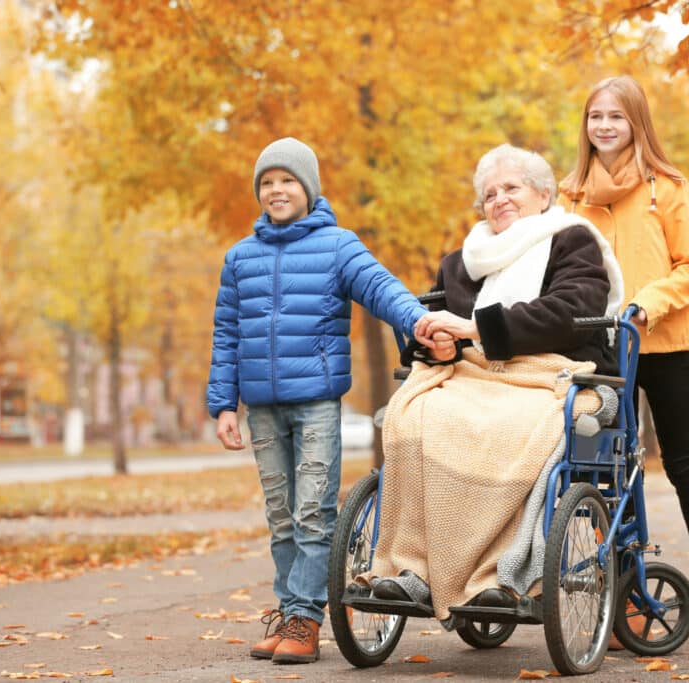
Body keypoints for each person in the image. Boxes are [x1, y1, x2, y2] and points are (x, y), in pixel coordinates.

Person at [361, 144, 624, 622]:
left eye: (512, 188)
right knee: (416, 416)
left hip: (550, 373)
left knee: (509, 429)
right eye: (490, 194)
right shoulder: (461, 261)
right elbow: (442, 333)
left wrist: (475, 328)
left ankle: (501, 575)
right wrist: (438, 344)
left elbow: (571, 313)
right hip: (474, 375)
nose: (499, 199)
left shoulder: (572, 241)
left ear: (544, 194)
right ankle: (414, 569)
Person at [206, 137, 431, 665]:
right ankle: (289, 610)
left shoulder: (337, 245)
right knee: (281, 515)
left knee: (311, 512)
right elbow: (226, 335)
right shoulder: (240, 259)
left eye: (287, 180)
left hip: (315, 405)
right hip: (261, 408)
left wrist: (418, 319)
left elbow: (380, 288)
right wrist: (223, 405)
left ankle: (306, 619)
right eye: (267, 182)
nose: (276, 190)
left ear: (308, 188)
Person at [558, 75, 689, 644]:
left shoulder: (668, 186)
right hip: (598, 347)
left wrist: (645, 304)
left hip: (660, 342)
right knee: (605, 470)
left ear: (637, 123)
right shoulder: (569, 193)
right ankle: (624, 588)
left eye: (616, 116)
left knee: (680, 462)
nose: (604, 125)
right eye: (595, 116)